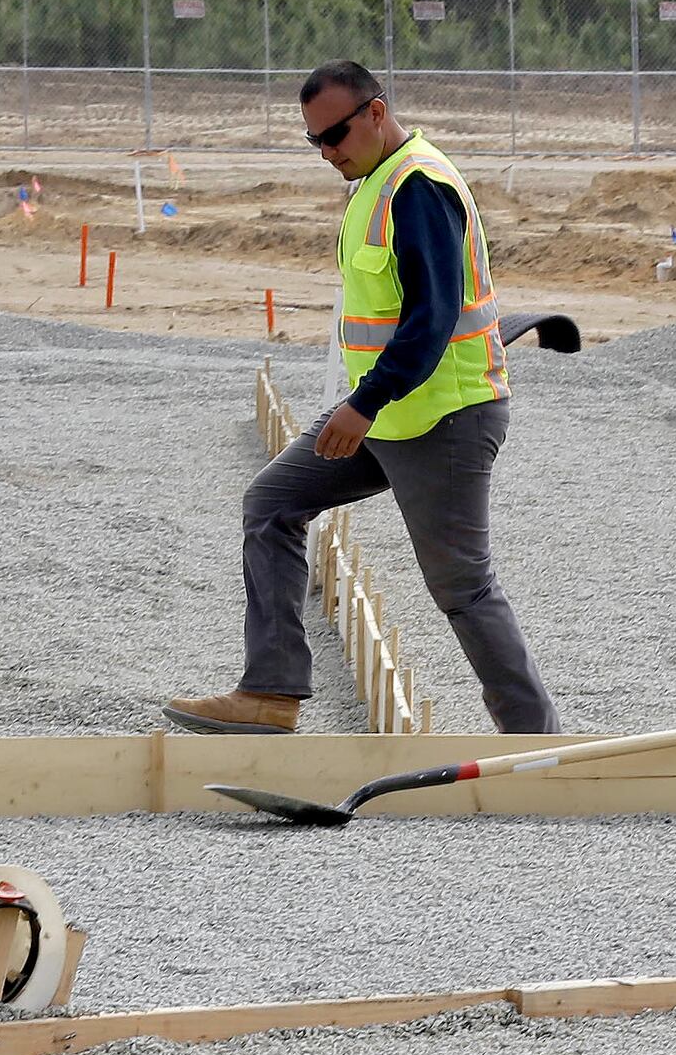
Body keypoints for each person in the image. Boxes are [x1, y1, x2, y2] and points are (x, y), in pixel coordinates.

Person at [165, 62, 560, 736]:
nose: (327, 152)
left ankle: (538, 743)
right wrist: (368, 405)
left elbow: (430, 319)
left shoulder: (418, 187)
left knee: (462, 588)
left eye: (335, 134)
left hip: (445, 415)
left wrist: (363, 403)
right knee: (272, 502)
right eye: (314, 141)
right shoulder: (376, 181)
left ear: (376, 112)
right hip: (388, 413)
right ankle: (271, 692)